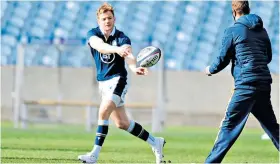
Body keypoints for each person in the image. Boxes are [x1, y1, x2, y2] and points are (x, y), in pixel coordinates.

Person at [78, 2, 165, 164]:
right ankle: (155, 142)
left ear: (114, 19)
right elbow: (101, 47)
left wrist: (133, 68)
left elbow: (129, 55)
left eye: (110, 18)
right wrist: (117, 50)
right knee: (122, 123)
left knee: (103, 111)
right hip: (103, 83)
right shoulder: (93, 34)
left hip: (118, 80)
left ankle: (94, 155)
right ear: (98, 21)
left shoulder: (122, 37)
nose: (107, 21)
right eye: (103, 19)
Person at [204, 0, 279, 163]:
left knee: (228, 126)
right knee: (272, 128)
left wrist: (210, 70)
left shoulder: (233, 30)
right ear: (248, 9)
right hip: (264, 83)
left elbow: (222, 58)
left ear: (234, 12)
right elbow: (268, 57)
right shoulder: (262, 30)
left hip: (246, 85)